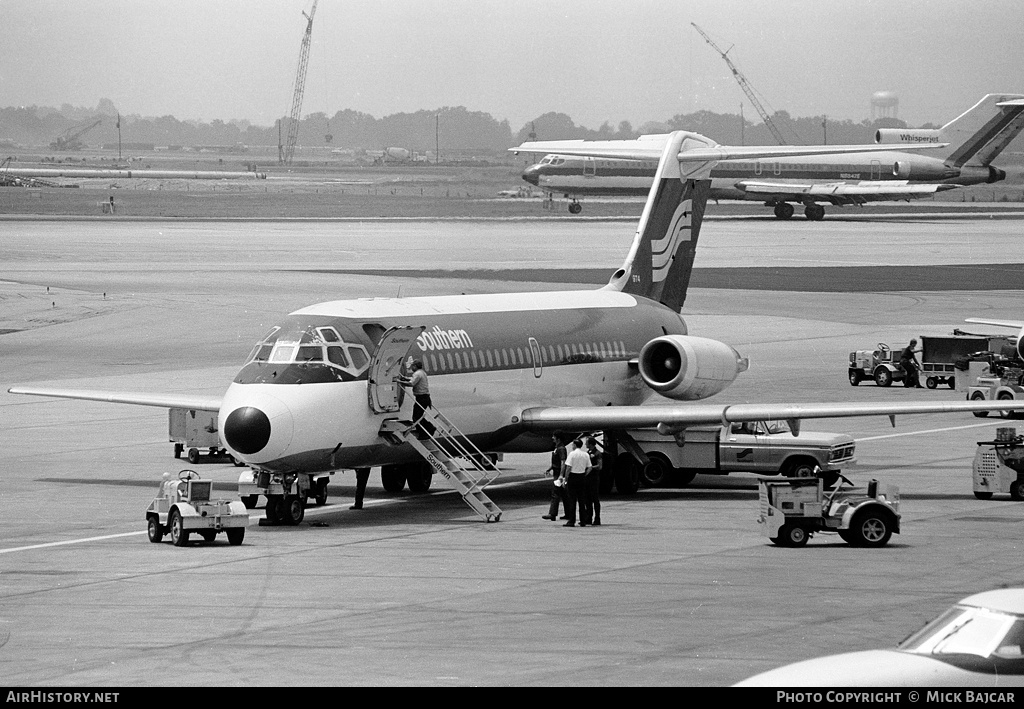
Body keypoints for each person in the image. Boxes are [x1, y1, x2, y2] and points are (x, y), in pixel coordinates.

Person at [561, 438, 592, 527]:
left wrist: (565, 479)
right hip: (581, 477)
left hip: (573, 477)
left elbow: (568, 468)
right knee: (582, 501)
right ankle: (583, 520)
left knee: (572, 500)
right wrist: (584, 474)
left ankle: (571, 520)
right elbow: (590, 467)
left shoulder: (572, 454)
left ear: (575, 445)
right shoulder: (585, 454)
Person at [400, 358, 434, 437]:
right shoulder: (422, 373)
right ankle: (428, 429)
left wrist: (399, 382)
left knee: (416, 417)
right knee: (418, 416)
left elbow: (411, 383)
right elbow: (414, 380)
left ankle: (427, 430)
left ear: (415, 366)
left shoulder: (417, 374)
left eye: (412, 366)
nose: (411, 368)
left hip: (421, 398)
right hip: (425, 397)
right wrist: (405, 378)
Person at [542, 431, 568, 521]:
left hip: (559, 474)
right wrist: (550, 469)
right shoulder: (557, 448)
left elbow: (563, 462)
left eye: (554, 436)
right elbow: (556, 462)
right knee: (564, 494)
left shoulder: (561, 449)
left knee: (555, 493)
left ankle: (552, 514)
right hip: (557, 472)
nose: (552, 438)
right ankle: (568, 513)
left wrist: (561, 475)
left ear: (558, 438)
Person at [585, 436, 603, 526]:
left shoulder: (597, 453)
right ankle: (588, 517)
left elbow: (600, 466)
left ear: (591, 444)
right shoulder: (588, 453)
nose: (585, 444)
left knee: (595, 499)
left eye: (587, 443)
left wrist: (591, 467)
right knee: (587, 499)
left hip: (594, 478)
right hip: (587, 478)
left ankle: (597, 518)